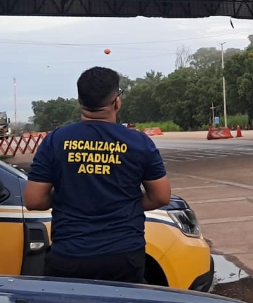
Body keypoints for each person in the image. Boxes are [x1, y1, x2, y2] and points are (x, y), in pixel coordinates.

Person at [23, 66, 171, 283]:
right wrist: (125, 202)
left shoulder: (55, 141)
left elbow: (34, 200)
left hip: (69, 255)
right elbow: (161, 196)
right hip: (123, 255)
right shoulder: (139, 143)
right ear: (116, 101)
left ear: (80, 101)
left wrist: (70, 197)